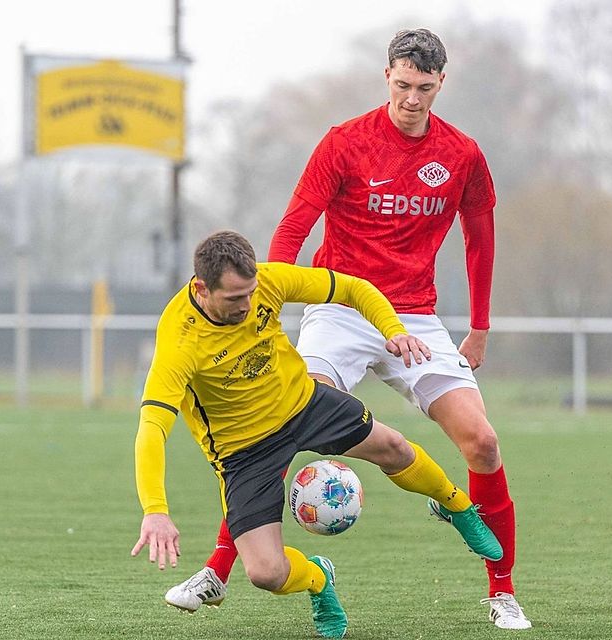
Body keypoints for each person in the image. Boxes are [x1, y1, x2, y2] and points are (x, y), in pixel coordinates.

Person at [166, 29, 532, 630]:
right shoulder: (345, 143)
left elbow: (480, 240)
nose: (411, 98)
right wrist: (267, 309)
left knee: (483, 443)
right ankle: (218, 569)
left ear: (442, 83)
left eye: (424, 87)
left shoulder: (461, 154)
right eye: (403, 84)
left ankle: (502, 591)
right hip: (339, 310)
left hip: (414, 317)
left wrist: (480, 327)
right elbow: (293, 229)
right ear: (387, 75)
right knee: (278, 422)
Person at [132, 230, 503, 639]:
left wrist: (393, 329)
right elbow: (152, 428)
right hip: (244, 451)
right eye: (235, 298)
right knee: (266, 573)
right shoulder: (179, 342)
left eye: (250, 293)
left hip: (304, 405)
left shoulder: (268, 281)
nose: (247, 305)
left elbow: (353, 288)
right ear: (202, 289)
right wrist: (155, 510)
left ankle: (458, 507)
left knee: (394, 447)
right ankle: (318, 578)